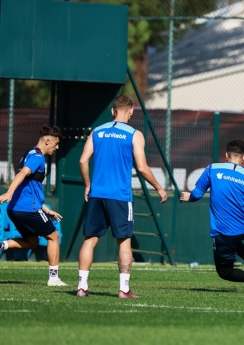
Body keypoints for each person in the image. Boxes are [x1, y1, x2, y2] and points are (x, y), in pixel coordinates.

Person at [77, 95, 168, 298]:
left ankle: (82, 287)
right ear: (131, 111)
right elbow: (143, 168)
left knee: (90, 239)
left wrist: (87, 184)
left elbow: (83, 161)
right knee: (124, 240)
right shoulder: (134, 134)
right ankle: (123, 289)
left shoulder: (97, 131)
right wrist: (159, 188)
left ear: (112, 111)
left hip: (96, 194)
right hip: (120, 196)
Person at [180, 140, 244, 294]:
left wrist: (190, 197)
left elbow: (197, 194)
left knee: (224, 271)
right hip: (243, 230)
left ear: (226, 155)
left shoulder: (212, 169)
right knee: (235, 241)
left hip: (223, 232)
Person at [0, 125, 66, 286]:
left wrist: (47, 210)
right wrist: (9, 193)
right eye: (56, 144)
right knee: (54, 237)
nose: (57, 148)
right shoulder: (38, 157)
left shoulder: (29, 154)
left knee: (32, 242)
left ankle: (2, 245)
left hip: (15, 209)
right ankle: (54, 278)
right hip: (27, 208)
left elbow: (30, 189)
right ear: (48, 140)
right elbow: (22, 174)